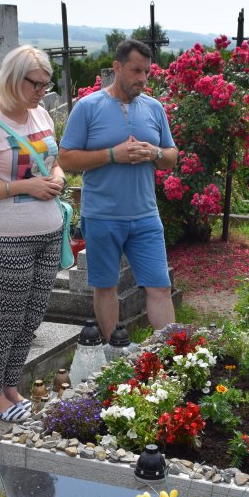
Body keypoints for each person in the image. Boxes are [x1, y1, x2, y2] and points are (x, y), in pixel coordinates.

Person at [0, 45, 65, 423]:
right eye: (35, 83)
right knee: (6, 318)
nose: (41, 91)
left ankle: (10, 386)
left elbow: (54, 162)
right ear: (13, 79)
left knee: (31, 318)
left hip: (48, 232)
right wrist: (25, 188)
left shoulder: (40, 115)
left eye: (45, 83)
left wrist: (56, 178)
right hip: (3, 237)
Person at [59, 38, 178, 340]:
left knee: (160, 286)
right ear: (117, 67)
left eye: (147, 72)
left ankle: (173, 357)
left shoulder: (154, 108)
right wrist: (113, 154)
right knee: (106, 286)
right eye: (136, 70)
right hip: (102, 215)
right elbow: (67, 158)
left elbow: (172, 157)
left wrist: (155, 153)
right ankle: (116, 355)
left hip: (145, 216)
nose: (143, 78)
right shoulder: (87, 107)